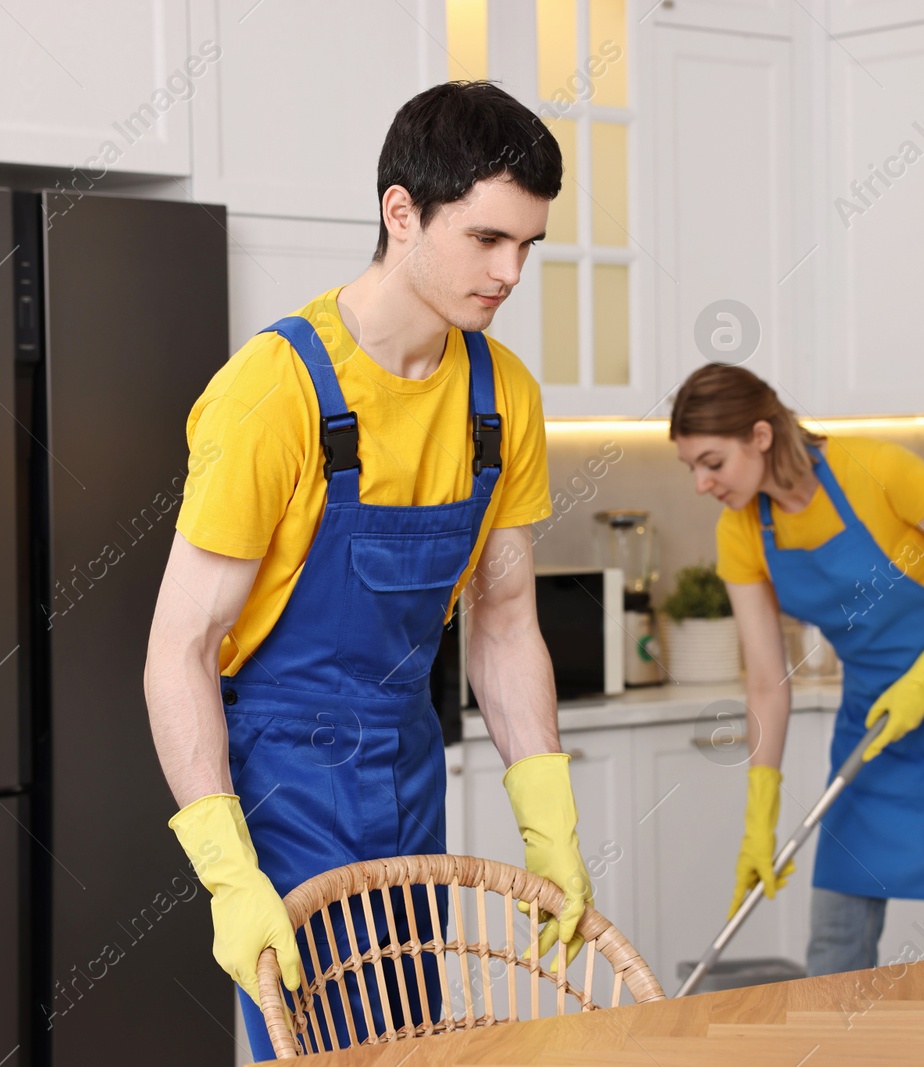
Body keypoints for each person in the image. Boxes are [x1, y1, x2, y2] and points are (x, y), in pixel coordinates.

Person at [144, 82, 593, 1060]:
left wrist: (547, 817)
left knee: (412, 1036)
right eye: (486, 239)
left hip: (406, 752)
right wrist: (227, 870)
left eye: (528, 245)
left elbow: (505, 619)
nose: (511, 272)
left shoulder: (501, 393)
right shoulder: (275, 391)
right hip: (281, 770)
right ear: (402, 212)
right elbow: (177, 649)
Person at [669, 363, 924, 975]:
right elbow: (765, 683)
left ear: (761, 436)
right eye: (690, 467)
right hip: (878, 716)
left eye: (712, 462)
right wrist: (761, 811)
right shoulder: (741, 529)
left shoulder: (877, 470)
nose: (701, 483)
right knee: (837, 925)